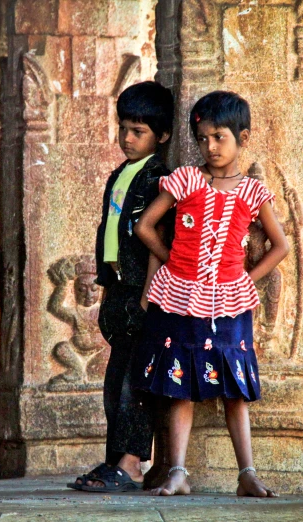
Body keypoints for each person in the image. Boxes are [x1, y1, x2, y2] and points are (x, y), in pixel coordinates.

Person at [133, 91, 289, 497]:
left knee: (235, 388)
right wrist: (174, 263)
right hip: (179, 298)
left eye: (219, 137)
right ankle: (179, 472)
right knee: (179, 383)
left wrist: (245, 280)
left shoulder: (253, 192)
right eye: (202, 138)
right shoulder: (185, 180)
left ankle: (247, 474)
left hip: (231, 302)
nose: (210, 147)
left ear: (243, 137)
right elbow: (145, 227)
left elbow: (281, 246)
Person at [67, 80, 175, 493]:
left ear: (161, 136)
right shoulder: (121, 174)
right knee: (115, 383)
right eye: (123, 128)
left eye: (138, 131)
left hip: (143, 294)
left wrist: (148, 294)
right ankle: (115, 459)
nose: (127, 138)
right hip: (118, 290)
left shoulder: (159, 178)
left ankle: (131, 463)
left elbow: (158, 240)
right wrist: (107, 288)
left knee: (135, 382)